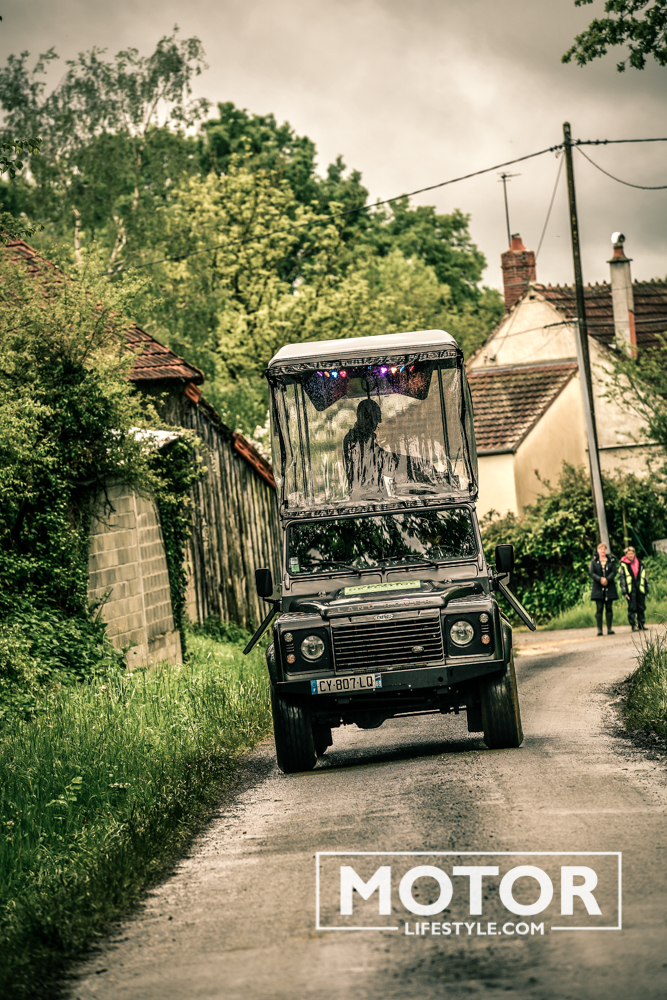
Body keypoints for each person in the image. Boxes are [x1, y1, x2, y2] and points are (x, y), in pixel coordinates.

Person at [343, 398, 395, 498]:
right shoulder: (353, 440)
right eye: (375, 422)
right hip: (364, 497)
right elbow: (383, 464)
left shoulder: (365, 439)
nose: (375, 426)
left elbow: (387, 466)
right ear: (365, 417)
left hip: (375, 495)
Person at [589, 542, 618, 636]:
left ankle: (609, 629)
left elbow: (614, 571)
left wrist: (607, 579)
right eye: (601, 549)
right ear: (598, 550)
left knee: (609, 608)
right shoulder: (594, 561)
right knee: (599, 608)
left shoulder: (611, 560)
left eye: (604, 549)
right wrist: (600, 579)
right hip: (598, 588)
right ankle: (599, 630)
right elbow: (592, 573)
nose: (602, 551)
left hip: (609, 587)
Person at [619, 545, 649, 631]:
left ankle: (641, 624)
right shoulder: (623, 565)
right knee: (632, 607)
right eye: (628, 554)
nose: (630, 555)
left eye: (632, 553)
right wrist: (624, 591)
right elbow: (622, 578)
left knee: (641, 606)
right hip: (630, 588)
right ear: (626, 555)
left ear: (634, 554)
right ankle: (633, 625)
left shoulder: (640, 563)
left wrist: (646, 586)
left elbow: (644, 576)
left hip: (640, 587)